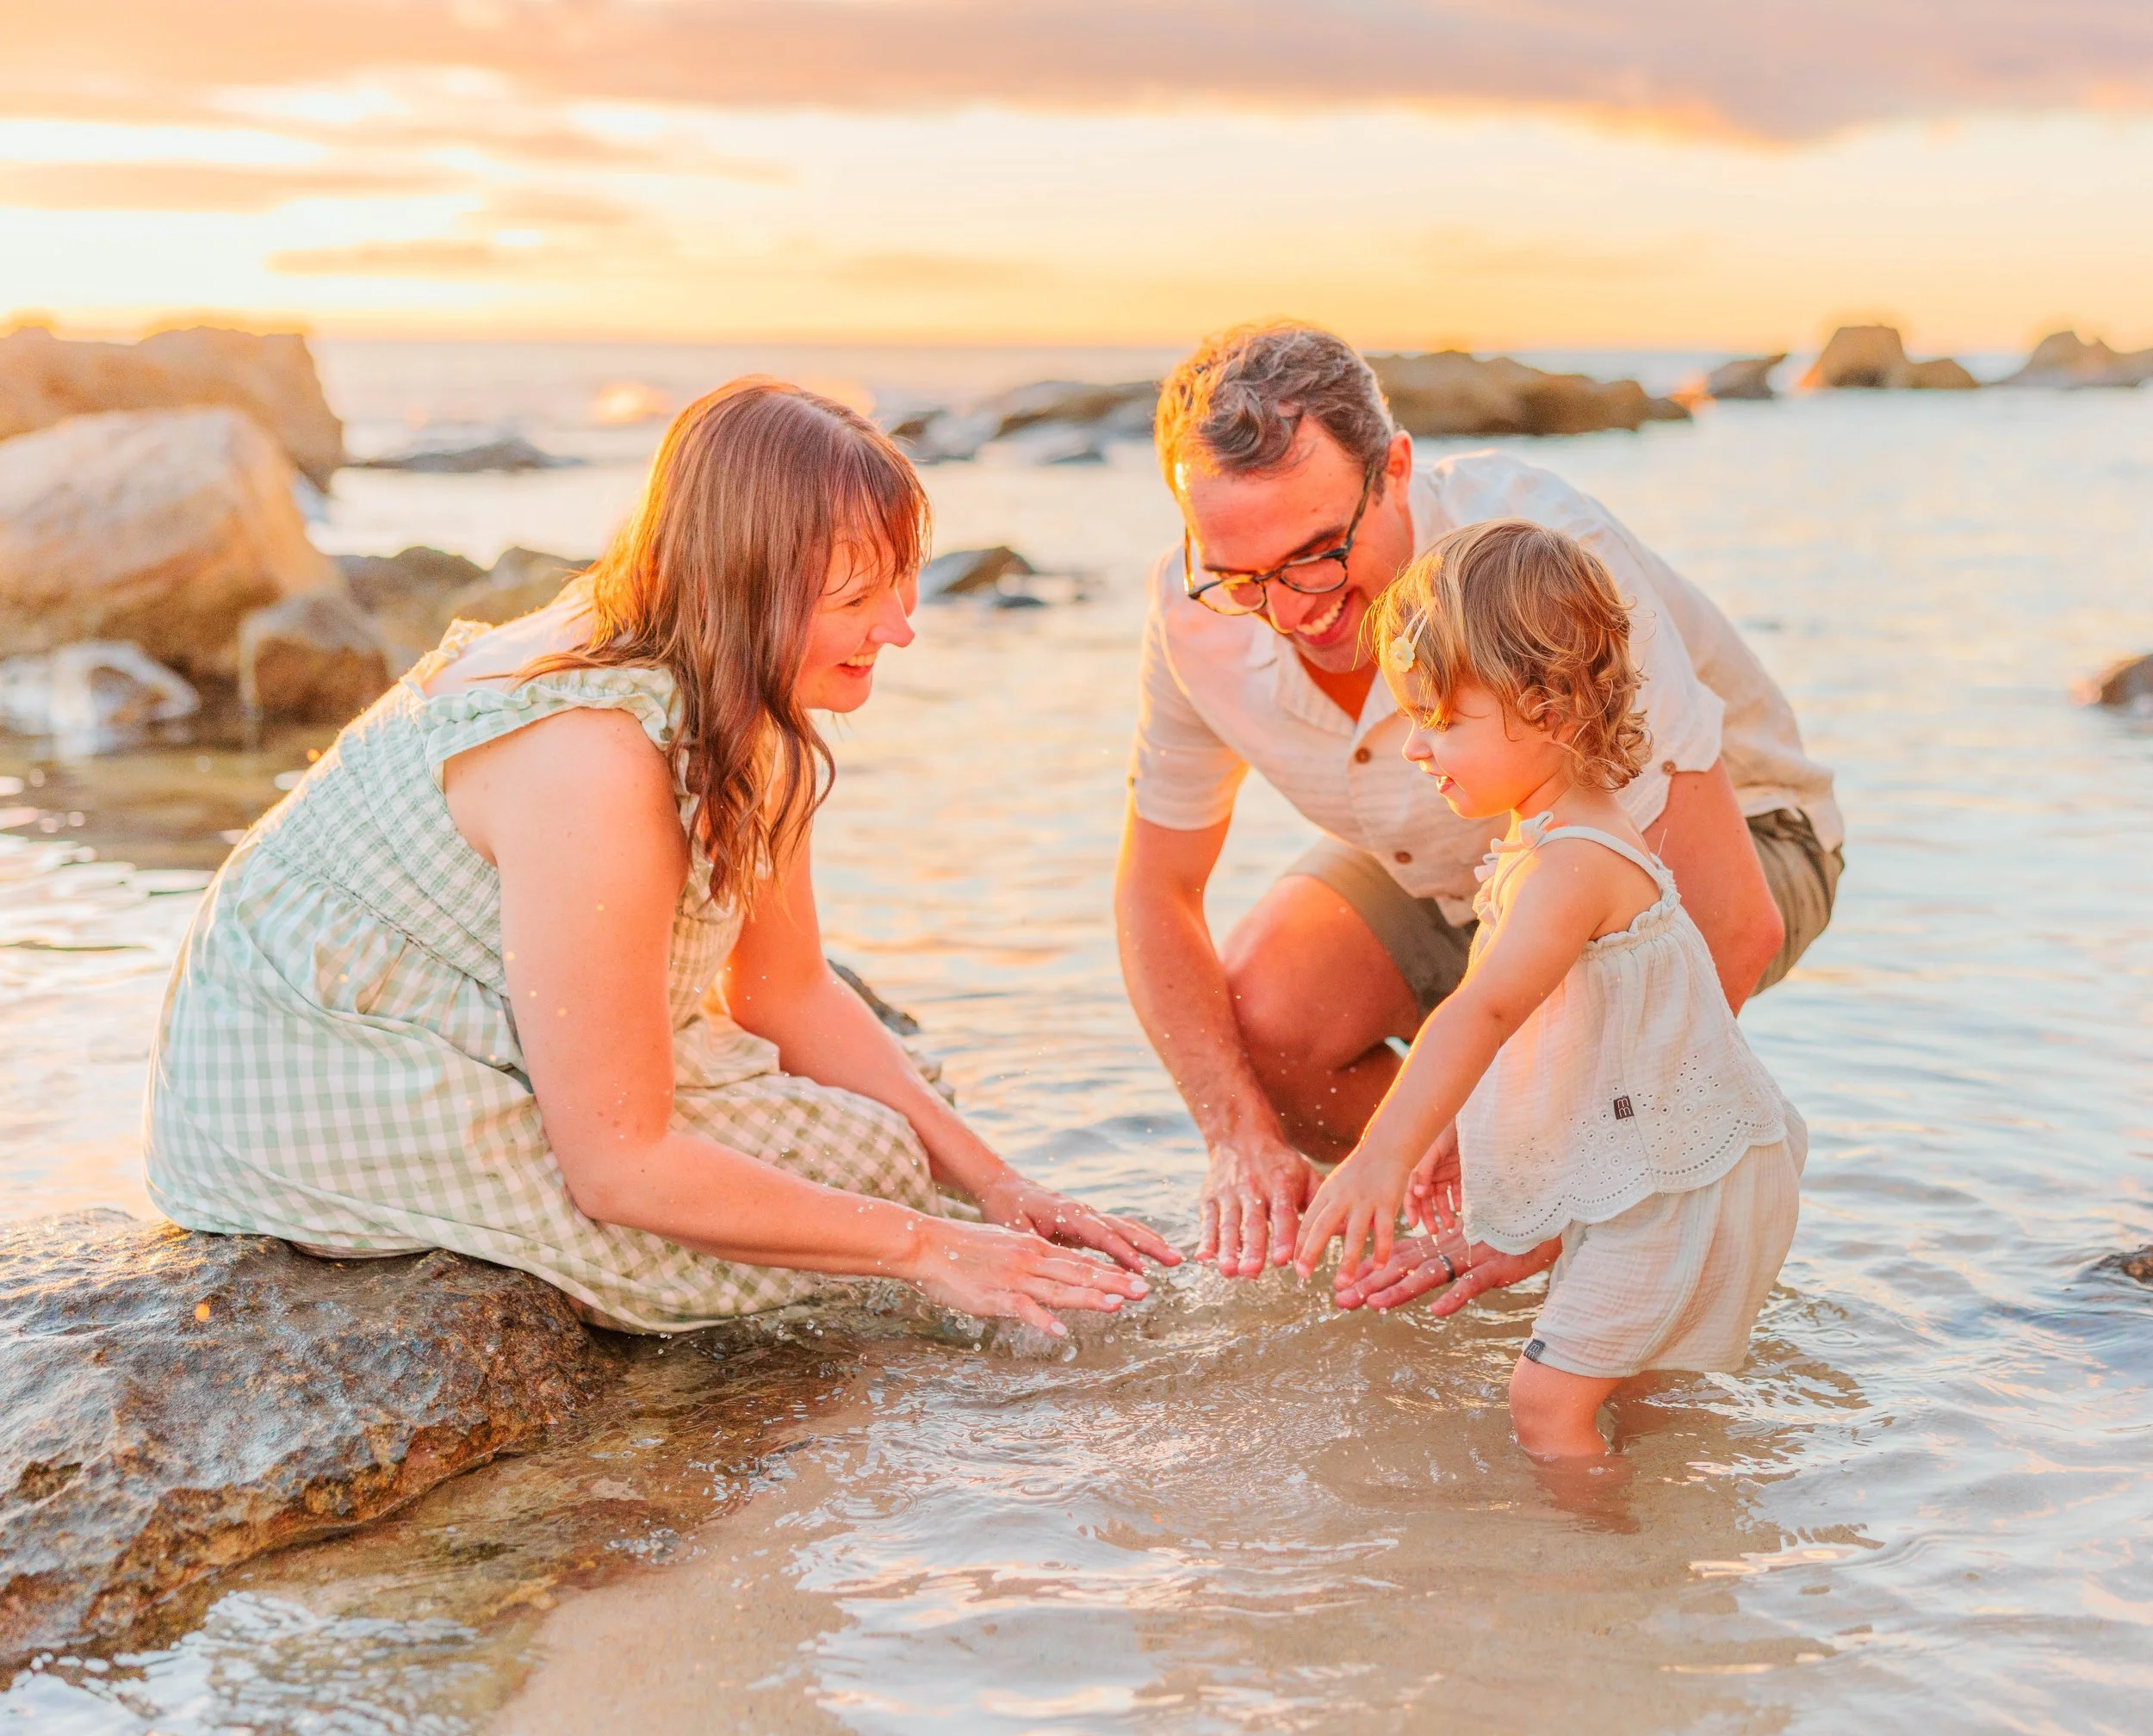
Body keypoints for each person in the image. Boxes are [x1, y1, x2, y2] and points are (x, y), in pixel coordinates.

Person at [147, 377, 1176, 1337]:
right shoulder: (589, 759)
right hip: (317, 1071)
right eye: (856, 600)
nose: (899, 630)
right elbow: (620, 1169)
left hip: (461, 1015)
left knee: (891, 1142)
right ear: (741, 584)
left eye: (900, 586)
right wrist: (934, 1248)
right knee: (875, 1191)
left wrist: (1003, 1189)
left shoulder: (737, 686)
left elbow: (789, 993)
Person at [1115, 322, 1840, 1290]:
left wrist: (1555, 1174)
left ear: (1399, 469)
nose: (1293, 609)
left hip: (1726, 844)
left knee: (1551, 1142)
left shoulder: (1540, 554)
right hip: (1461, 853)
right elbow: (1157, 891)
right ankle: (1449, 1235)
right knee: (1261, 1023)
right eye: (1243, 576)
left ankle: (1572, 1220)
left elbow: (1727, 924)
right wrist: (1236, 1140)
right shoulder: (1189, 615)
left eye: (1320, 551)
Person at [1293, 520, 1806, 1458]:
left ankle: (1586, 1582)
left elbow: (1481, 1011)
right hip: (1660, 1167)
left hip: (1679, 1184)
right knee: (1630, 1394)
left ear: (1553, 710)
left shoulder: (1573, 865)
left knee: (1545, 1402)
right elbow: (1546, 1029)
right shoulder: (1542, 843)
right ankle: (1662, 1547)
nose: (1414, 746)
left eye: (1441, 719)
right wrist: (1459, 1133)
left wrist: (1383, 1154)